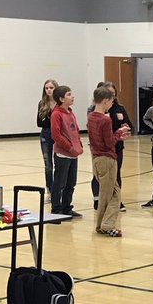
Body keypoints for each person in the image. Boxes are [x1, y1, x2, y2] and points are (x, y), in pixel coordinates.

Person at [89, 86, 129, 236]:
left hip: (97, 158)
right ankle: (106, 224)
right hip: (107, 159)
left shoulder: (91, 116)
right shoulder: (105, 120)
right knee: (113, 195)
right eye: (112, 101)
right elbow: (109, 142)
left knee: (108, 193)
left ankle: (101, 225)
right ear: (105, 101)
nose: (113, 104)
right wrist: (119, 133)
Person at [49, 85, 83, 217]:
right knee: (59, 183)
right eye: (69, 94)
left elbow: (75, 130)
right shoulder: (56, 114)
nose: (72, 96)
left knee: (71, 183)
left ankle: (67, 207)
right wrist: (69, 147)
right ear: (61, 99)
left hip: (73, 154)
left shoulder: (70, 112)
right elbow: (56, 135)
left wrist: (78, 144)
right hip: (63, 154)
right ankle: (56, 209)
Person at [36, 79, 58, 199]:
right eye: (46, 88)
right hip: (45, 135)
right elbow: (39, 122)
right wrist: (50, 121)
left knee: (59, 163)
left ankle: (58, 190)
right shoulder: (42, 103)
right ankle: (49, 191)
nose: (49, 90)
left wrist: (48, 121)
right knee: (48, 165)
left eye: (51, 88)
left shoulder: (60, 103)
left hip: (58, 135)